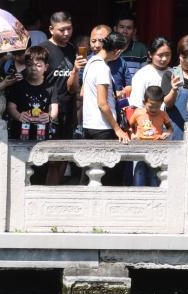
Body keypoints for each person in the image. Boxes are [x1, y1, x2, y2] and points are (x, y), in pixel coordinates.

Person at [81, 31, 129, 185]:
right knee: (106, 177)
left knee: (89, 172)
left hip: (89, 124)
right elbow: (102, 104)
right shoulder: (102, 68)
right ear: (117, 51)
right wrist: (117, 128)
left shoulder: (90, 62)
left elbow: (84, 93)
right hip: (103, 126)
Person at [41, 11, 80, 141]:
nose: (67, 33)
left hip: (68, 108)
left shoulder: (72, 49)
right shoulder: (43, 50)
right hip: (48, 109)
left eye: (69, 28)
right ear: (51, 30)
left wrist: (76, 69)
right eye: (62, 30)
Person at [5, 45, 57, 142]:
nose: (33, 68)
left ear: (46, 67)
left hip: (42, 134)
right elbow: (11, 106)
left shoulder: (51, 87)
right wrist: (18, 116)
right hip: (20, 134)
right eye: (29, 65)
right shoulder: (18, 86)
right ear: (25, 65)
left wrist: (49, 116)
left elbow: (54, 108)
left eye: (38, 65)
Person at [130, 85, 172, 187]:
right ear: (144, 102)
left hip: (156, 149)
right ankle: (138, 193)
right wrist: (132, 134)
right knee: (139, 173)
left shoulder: (163, 114)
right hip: (140, 148)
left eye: (157, 107)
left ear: (161, 104)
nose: (154, 109)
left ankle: (155, 194)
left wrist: (167, 133)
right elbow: (129, 126)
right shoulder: (138, 113)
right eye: (150, 106)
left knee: (154, 175)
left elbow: (170, 128)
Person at [129, 37, 172, 110]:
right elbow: (137, 105)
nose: (164, 59)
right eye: (160, 55)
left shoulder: (174, 72)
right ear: (150, 54)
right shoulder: (142, 75)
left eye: (167, 55)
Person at [116, 14, 148, 84]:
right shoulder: (110, 49)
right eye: (121, 27)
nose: (125, 31)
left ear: (134, 31)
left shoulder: (141, 49)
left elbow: (145, 74)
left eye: (129, 28)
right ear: (115, 29)